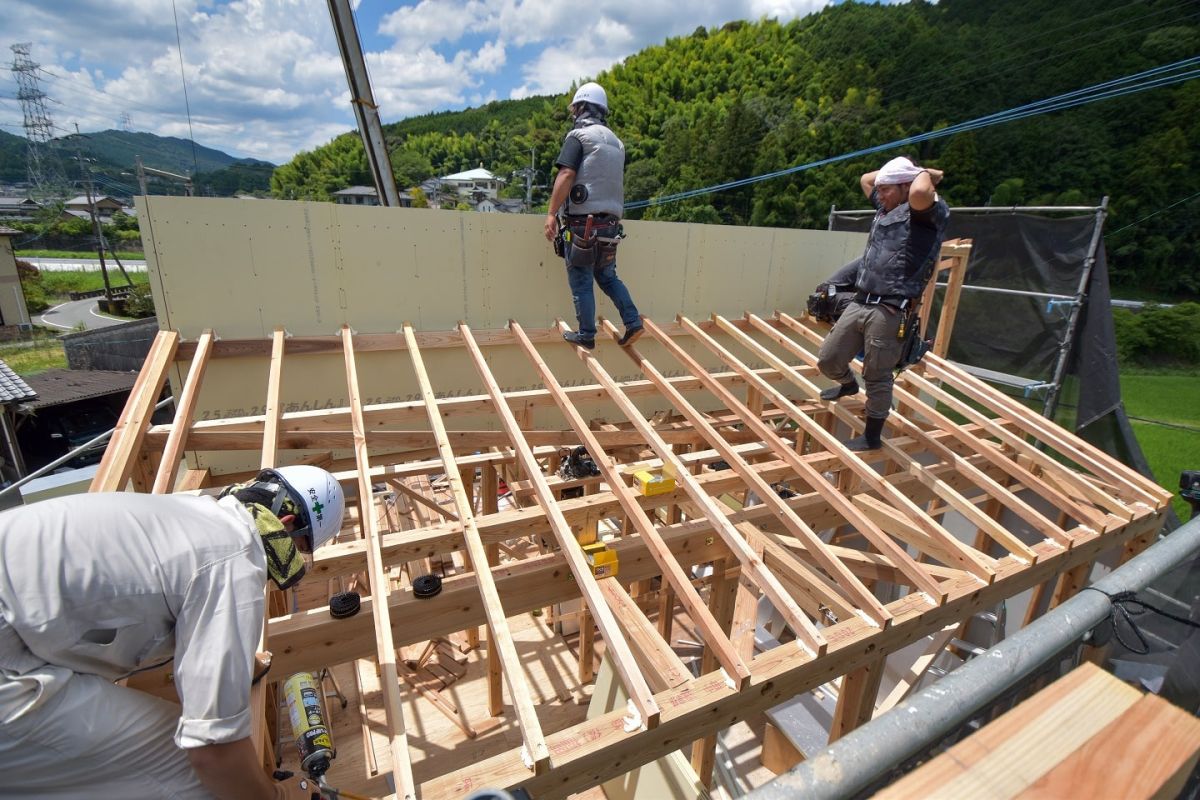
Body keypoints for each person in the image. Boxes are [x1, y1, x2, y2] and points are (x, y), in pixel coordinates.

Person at [0, 465, 346, 799]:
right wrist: (276, 797)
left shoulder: (196, 512)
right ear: (286, 526)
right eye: (301, 549)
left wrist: (231, 666)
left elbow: (158, 602)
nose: (297, 560)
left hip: (20, 617)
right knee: (200, 776)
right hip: (9, 664)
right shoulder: (238, 562)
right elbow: (212, 753)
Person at [816, 156, 948, 451]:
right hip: (862, 301)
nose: (880, 193)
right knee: (828, 358)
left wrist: (925, 172)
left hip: (890, 309)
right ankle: (848, 385)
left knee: (877, 374)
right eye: (882, 188)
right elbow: (866, 178)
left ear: (906, 186)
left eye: (888, 188)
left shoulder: (924, 215)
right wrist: (897, 175)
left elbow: (919, 193)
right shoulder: (886, 207)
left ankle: (872, 437)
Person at [543, 81, 643, 350]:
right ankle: (633, 321)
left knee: (581, 279)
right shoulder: (617, 143)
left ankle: (586, 334)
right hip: (610, 226)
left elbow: (566, 174)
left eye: (574, 107)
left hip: (583, 226)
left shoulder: (578, 137)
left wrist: (552, 213)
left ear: (582, 107)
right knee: (608, 276)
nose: (573, 112)